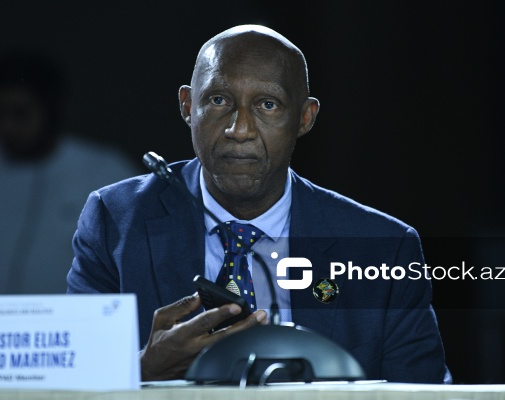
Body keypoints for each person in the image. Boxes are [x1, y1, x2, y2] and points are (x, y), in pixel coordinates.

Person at [67, 25, 451, 383]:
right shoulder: (115, 221)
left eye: (268, 104)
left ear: (305, 118)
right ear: (187, 105)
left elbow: (424, 391)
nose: (239, 129)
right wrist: (143, 369)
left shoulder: (384, 248)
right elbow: (69, 381)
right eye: (218, 100)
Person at [0, 50, 141, 295]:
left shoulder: (106, 170)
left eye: (20, 113)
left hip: (75, 317)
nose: (6, 126)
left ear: (52, 110)